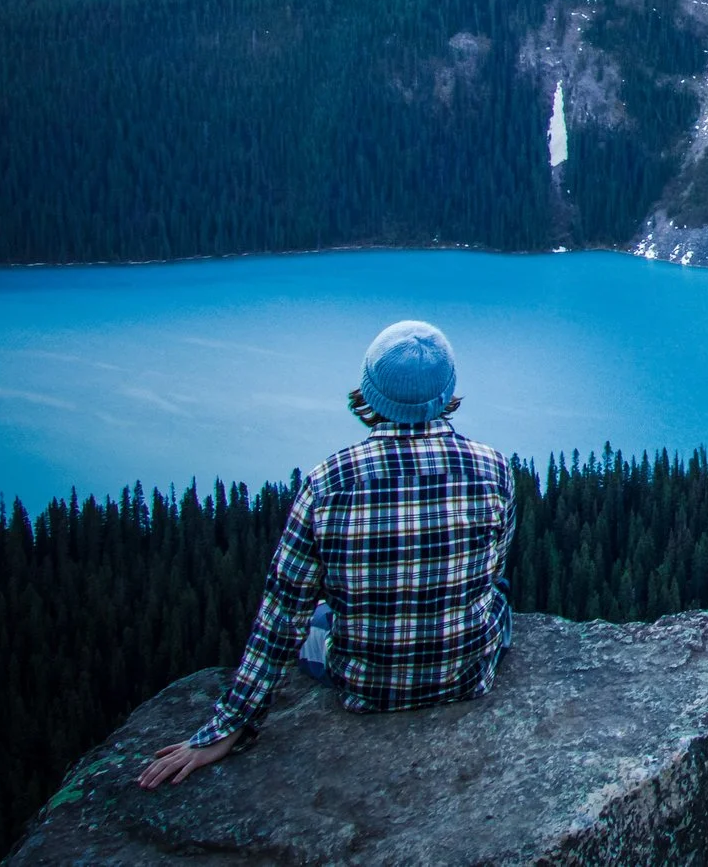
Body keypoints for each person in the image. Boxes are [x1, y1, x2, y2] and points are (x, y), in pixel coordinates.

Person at [138, 320, 515, 787]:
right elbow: (492, 565)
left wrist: (229, 725)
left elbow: (281, 615)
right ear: (448, 391)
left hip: (362, 690)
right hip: (467, 678)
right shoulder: (494, 469)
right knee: (496, 591)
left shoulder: (329, 481)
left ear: (369, 391)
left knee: (316, 616)